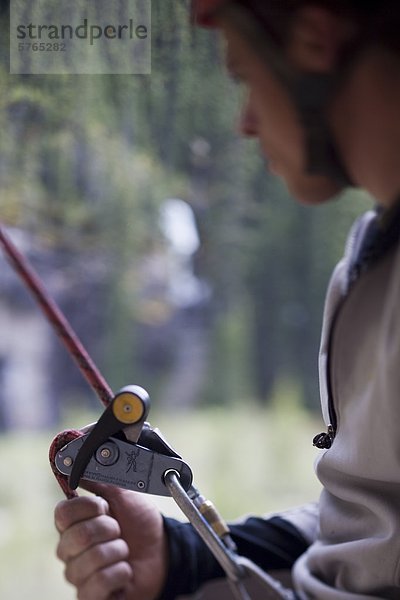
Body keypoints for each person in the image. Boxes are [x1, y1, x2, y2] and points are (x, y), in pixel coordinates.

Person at [54, 1, 400, 598]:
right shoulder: (372, 258)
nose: (243, 120)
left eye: (242, 75)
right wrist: (183, 559)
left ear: (315, 38)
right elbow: (371, 533)